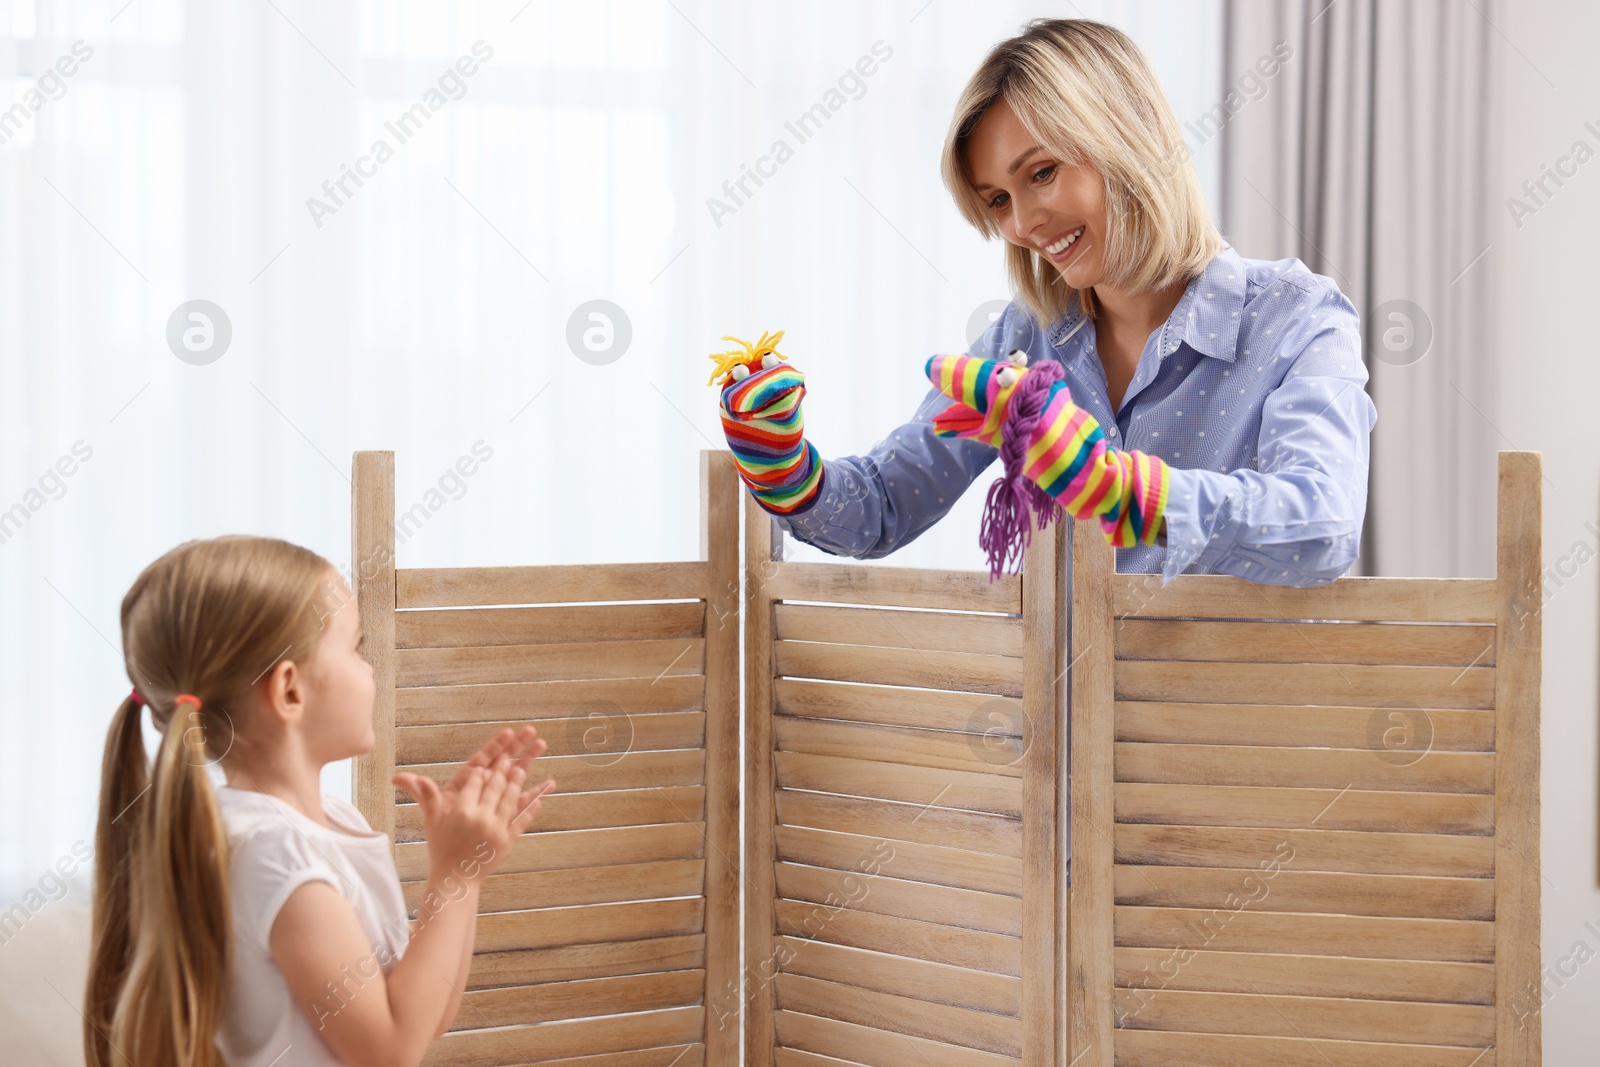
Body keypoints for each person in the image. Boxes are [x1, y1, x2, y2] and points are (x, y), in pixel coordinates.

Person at [717, 18, 1377, 587]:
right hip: (1060, 726)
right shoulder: (1024, 340)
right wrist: (787, 470)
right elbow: (886, 504)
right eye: (998, 199)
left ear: (1135, 133)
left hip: (1224, 728)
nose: (1024, 223)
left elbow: (1322, 526)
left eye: (1042, 172)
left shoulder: (1296, 319)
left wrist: (1122, 491)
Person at [84, 535, 557, 1067]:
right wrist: (455, 879)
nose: (371, 668)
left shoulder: (325, 823)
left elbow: (424, 1018)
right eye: (355, 647)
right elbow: (389, 1051)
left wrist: (468, 867)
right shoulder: (272, 852)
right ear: (289, 691)